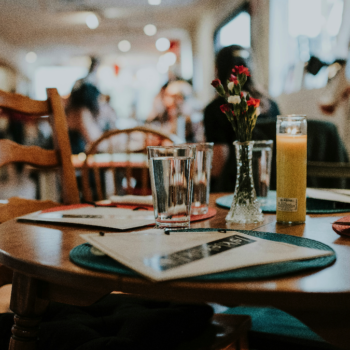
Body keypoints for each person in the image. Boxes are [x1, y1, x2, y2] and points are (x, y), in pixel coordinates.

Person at [203, 45, 280, 192]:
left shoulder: (216, 109)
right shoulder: (271, 105)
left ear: (217, 69)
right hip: (272, 189)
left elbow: (219, 167)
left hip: (233, 193)